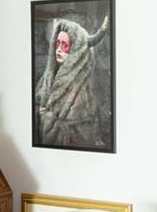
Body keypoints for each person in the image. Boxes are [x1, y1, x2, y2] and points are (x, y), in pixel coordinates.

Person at [35, 14, 110, 147]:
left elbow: (79, 126)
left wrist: (48, 118)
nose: (59, 50)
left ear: (75, 50)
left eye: (65, 45)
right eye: (57, 44)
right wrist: (39, 111)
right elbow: (37, 102)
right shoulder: (48, 75)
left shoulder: (82, 86)